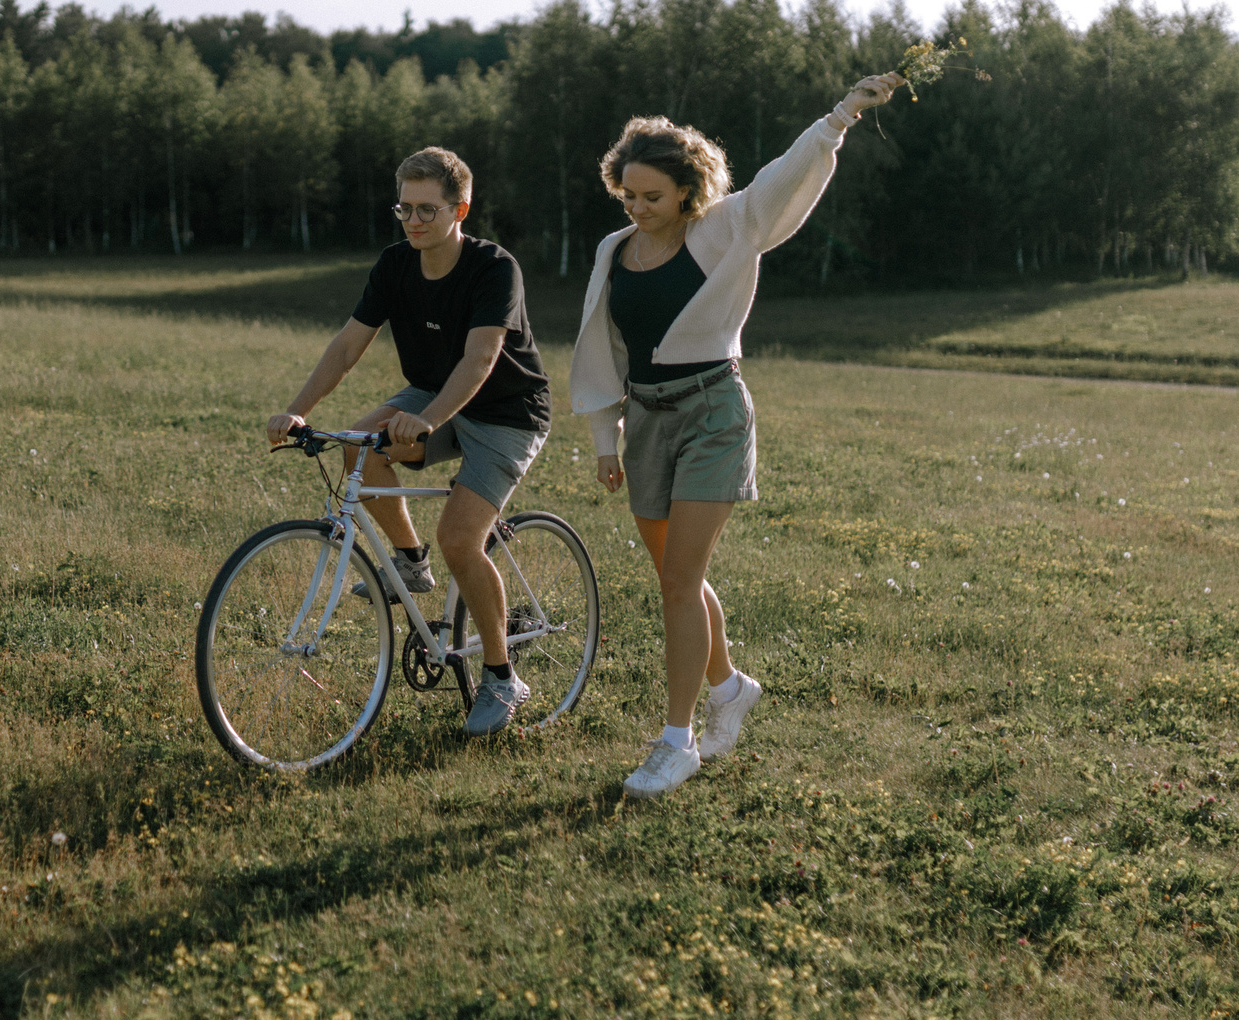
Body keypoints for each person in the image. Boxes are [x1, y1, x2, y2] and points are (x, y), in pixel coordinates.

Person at [575, 75, 903, 799]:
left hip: (713, 413)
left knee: (677, 582)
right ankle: (731, 687)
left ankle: (676, 740)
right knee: (675, 575)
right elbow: (601, 346)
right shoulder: (613, 249)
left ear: (688, 194)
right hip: (647, 422)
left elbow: (780, 182)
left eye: (652, 196)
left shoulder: (724, 228)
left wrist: (840, 117)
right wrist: (606, 436)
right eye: (627, 193)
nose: (637, 207)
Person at [266, 146, 555, 735]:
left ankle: (502, 678)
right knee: (358, 444)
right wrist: (296, 411)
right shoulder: (396, 264)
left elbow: (481, 358)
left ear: (460, 209)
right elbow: (348, 346)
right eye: (406, 208)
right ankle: (411, 561)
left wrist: (427, 421)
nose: (415, 221)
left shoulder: (495, 267)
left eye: (429, 209)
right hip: (431, 395)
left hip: (507, 413)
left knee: (460, 536)